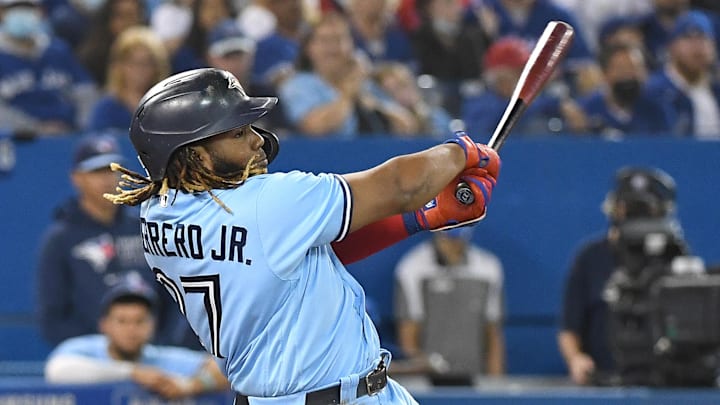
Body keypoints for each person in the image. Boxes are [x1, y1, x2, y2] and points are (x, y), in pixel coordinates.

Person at [103, 67, 500, 403]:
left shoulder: (158, 212)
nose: (257, 139)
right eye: (237, 133)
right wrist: (463, 152)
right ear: (194, 154)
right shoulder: (264, 203)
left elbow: (304, 255)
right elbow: (400, 184)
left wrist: (422, 218)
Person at [36, 134, 195, 349]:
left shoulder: (145, 226)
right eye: (96, 172)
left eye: (112, 170)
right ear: (77, 178)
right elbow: (53, 316)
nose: (107, 179)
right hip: (93, 355)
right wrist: (103, 347)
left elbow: (173, 294)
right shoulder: (61, 239)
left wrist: (160, 342)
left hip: (152, 351)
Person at [557, 166, 678, 385]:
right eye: (629, 208)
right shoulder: (590, 257)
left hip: (664, 383)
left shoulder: (673, 256)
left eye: (644, 210)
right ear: (615, 209)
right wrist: (576, 360)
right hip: (604, 381)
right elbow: (569, 328)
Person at [45, 280, 230, 399]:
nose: (131, 329)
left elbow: (224, 369)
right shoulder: (83, 349)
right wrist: (133, 373)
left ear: (152, 325)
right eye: (122, 321)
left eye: (139, 321)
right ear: (105, 325)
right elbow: (57, 370)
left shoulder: (160, 358)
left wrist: (189, 386)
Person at [279, 12, 417, 137]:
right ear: (309, 48)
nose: (333, 48)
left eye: (340, 40)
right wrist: (348, 93)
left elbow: (406, 125)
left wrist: (370, 103)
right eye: (325, 40)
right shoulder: (298, 85)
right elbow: (315, 128)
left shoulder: (363, 84)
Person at [393, 227, 505, 383]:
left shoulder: (488, 268)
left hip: (473, 380)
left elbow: (493, 335)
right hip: (428, 384)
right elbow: (408, 335)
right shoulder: (412, 268)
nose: (454, 243)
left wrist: (495, 388)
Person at [0, 0, 98, 136]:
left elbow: (85, 91)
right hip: (21, 141)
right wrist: (35, 128)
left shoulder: (58, 49)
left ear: (41, 12)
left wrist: (82, 127)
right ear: (2, 13)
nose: (22, 14)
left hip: (69, 134)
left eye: (28, 8)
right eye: (15, 8)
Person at [644, 10, 720, 138]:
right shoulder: (653, 92)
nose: (697, 47)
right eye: (688, 38)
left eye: (703, 38)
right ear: (671, 46)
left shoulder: (715, 91)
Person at [86, 26, 170, 132]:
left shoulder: (167, 110)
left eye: (147, 63)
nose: (140, 70)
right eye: (133, 63)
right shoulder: (105, 109)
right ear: (119, 66)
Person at [578, 43, 669, 137]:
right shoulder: (585, 110)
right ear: (604, 74)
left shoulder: (657, 109)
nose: (628, 75)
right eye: (621, 69)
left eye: (634, 69)